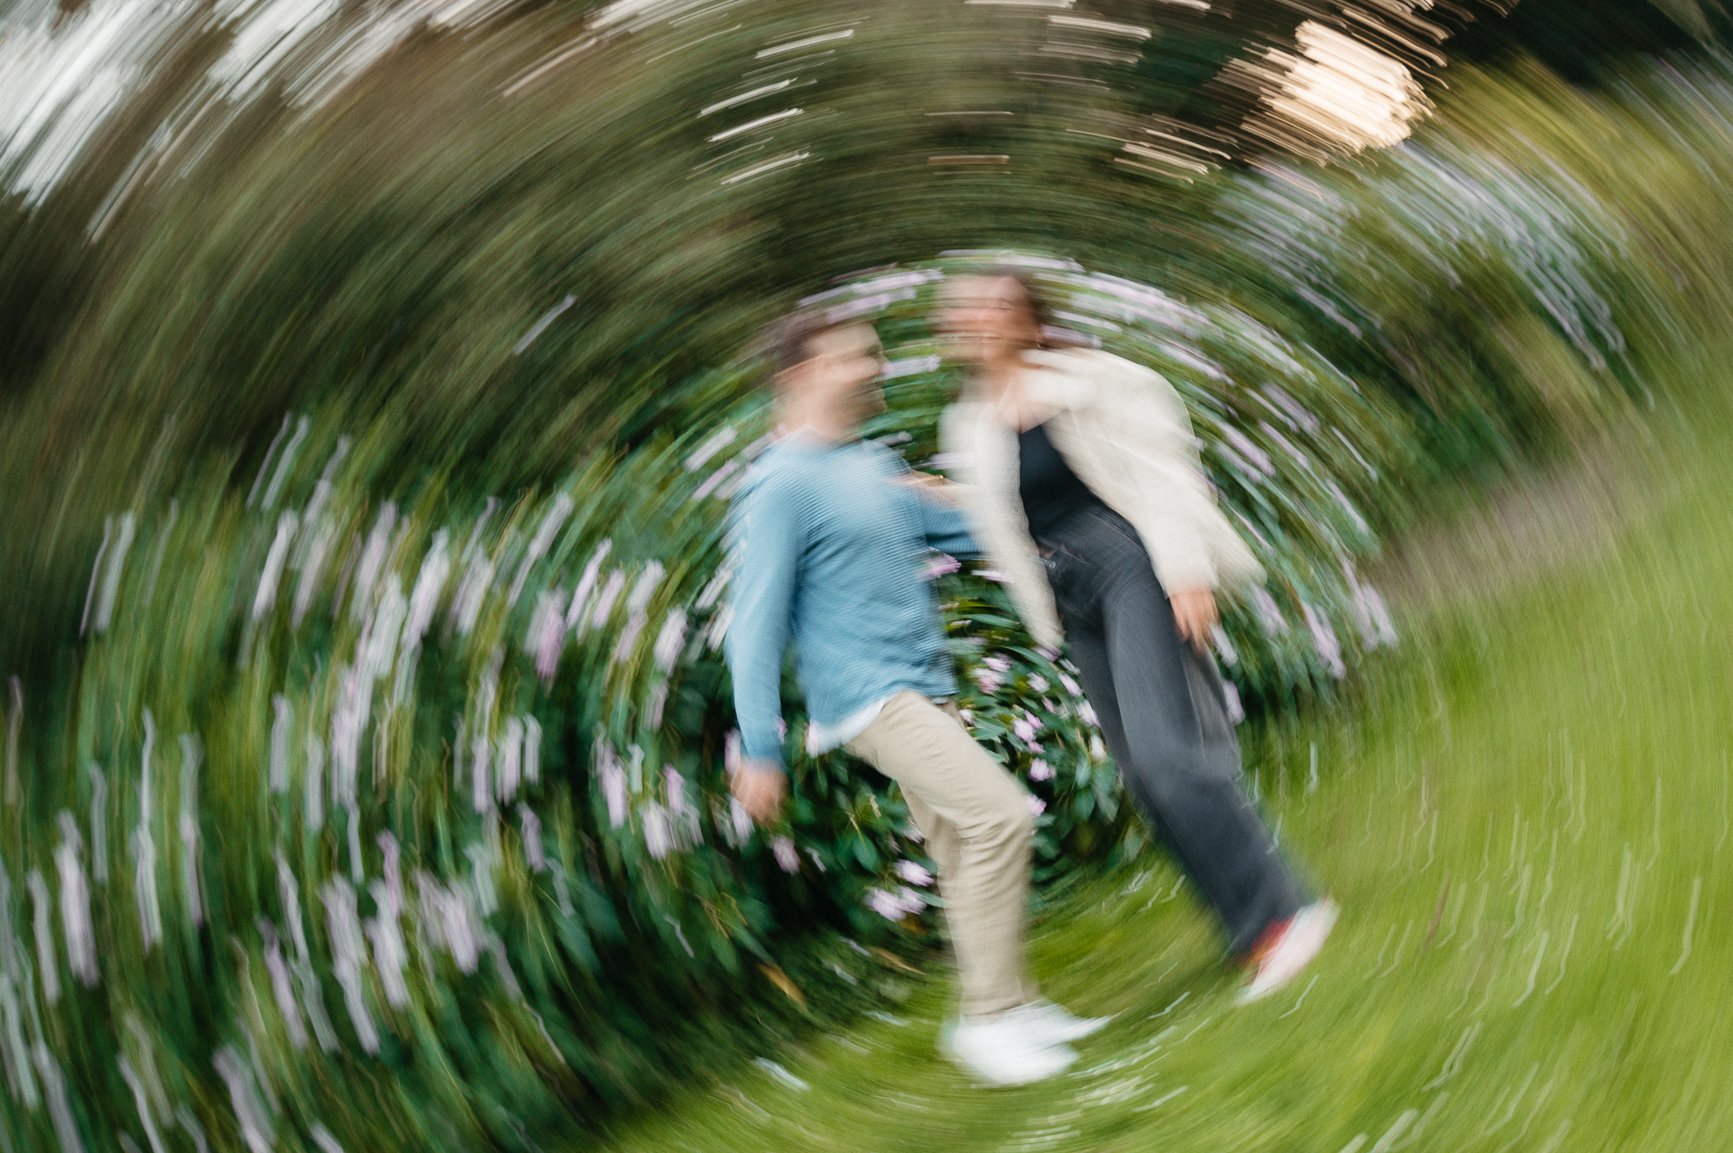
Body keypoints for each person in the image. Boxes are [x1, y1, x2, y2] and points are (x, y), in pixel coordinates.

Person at [724, 310, 1105, 1085]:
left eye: (871, 355)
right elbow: (752, 624)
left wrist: (1056, 521)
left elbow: (961, 530)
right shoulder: (778, 486)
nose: (872, 368)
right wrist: (759, 747)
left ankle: (1011, 1005)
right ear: (800, 375)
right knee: (998, 817)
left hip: (918, 685)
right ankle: (988, 1021)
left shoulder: (866, 464)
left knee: (966, 846)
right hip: (868, 698)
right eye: (851, 359)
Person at [936, 269, 1337, 1003]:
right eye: (967, 310)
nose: (979, 319)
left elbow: (1162, 472)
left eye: (996, 306)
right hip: (1070, 596)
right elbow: (995, 508)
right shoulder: (965, 424)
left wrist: (1185, 570)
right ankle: (1250, 934)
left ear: (1029, 322)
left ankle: (1285, 917)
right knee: (1145, 773)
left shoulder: (1095, 379)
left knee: (1167, 752)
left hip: (1128, 564)